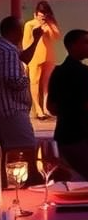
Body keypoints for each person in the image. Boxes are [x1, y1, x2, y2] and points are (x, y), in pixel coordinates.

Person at [47, 28, 88, 180]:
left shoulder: (57, 72)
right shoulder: (83, 72)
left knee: (70, 182)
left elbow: (51, 108)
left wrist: (67, 108)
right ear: (72, 46)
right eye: (86, 42)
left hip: (63, 136)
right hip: (82, 136)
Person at [0, 15, 40, 149]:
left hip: (4, 111)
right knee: (25, 152)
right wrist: (27, 77)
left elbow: (24, 57)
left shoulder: (4, 47)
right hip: (12, 111)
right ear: (16, 31)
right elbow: (14, 81)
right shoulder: (9, 51)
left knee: (8, 153)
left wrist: (36, 40)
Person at [22, 0, 60, 119]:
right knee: (35, 82)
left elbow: (57, 37)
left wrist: (49, 27)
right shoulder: (30, 24)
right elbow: (25, 42)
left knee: (46, 83)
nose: (42, 17)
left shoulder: (50, 24)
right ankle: (38, 109)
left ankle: (45, 106)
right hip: (35, 57)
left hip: (48, 56)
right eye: (40, 14)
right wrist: (25, 61)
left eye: (45, 14)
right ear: (36, 14)